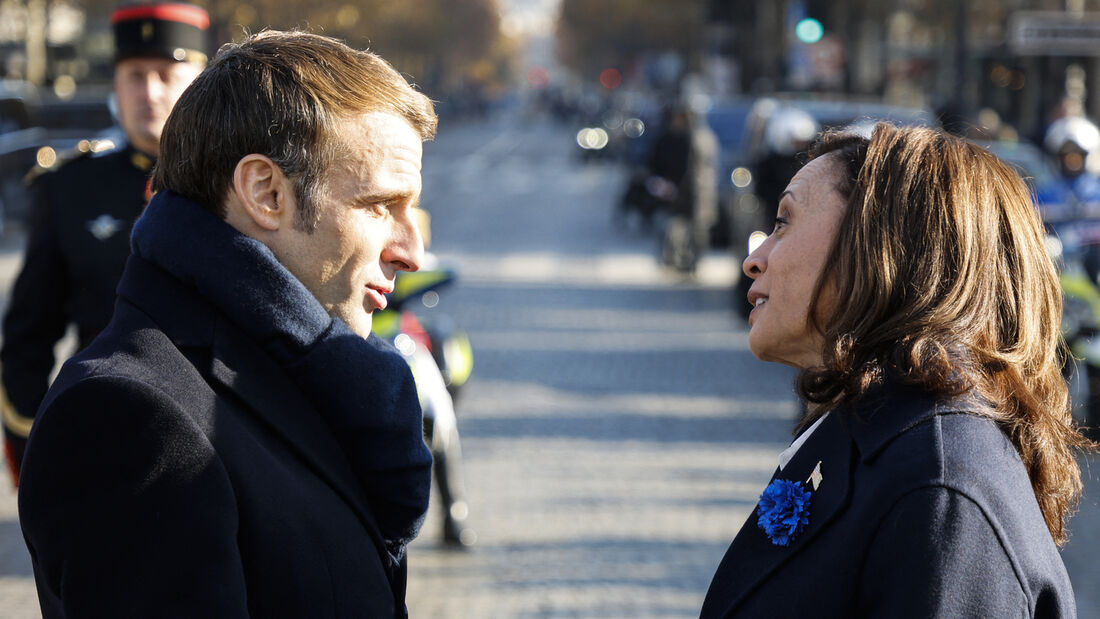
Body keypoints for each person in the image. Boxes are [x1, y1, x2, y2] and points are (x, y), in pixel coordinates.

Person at [18, 30, 436, 617]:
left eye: (410, 207)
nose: (410, 251)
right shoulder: (133, 417)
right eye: (378, 205)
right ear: (265, 192)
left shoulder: (308, 371)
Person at [702, 124, 1091, 617]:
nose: (754, 260)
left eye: (783, 222)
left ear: (882, 245)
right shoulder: (889, 441)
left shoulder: (940, 492)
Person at [0, 1, 208, 486]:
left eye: (167, 73)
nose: (150, 92)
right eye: (135, 74)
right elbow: (28, 336)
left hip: (225, 447)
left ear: (200, 84)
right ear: (115, 84)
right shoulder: (69, 187)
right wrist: (37, 448)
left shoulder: (246, 188)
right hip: (104, 448)